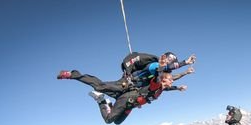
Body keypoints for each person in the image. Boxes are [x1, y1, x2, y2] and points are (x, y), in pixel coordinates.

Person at [57, 52, 196, 98]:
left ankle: (101, 100)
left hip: (131, 89)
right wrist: (185, 62)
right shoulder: (154, 66)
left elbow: (168, 80)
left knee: (113, 101)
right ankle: (72, 75)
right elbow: (165, 67)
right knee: (100, 86)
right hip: (126, 84)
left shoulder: (160, 75)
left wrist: (184, 74)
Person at [89, 72, 187, 125]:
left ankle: (109, 104)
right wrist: (161, 66)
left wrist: (178, 88)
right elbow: (158, 76)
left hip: (131, 106)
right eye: (170, 80)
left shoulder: (161, 89)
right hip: (128, 100)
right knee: (108, 120)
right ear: (163, 80)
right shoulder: (155, 85)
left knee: (117, 122)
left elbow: (168, 88)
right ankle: (100, 99)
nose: (172, 81)